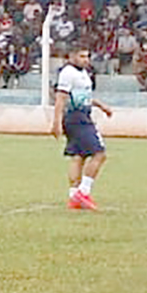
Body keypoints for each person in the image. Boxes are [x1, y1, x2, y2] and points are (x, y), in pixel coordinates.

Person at [52, 46, 112, 210]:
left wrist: (101, 105)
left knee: (78, 156)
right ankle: (83, 192)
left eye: (87, 56)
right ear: (71, 56)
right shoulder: (68, 72)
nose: (86, 59)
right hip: (77, 117)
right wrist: (56, 122)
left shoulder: (83, 73)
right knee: (99, 153)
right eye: (82, 56)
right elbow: (61, 97)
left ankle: (73, 196)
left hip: (80, 115)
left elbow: (83, 96)